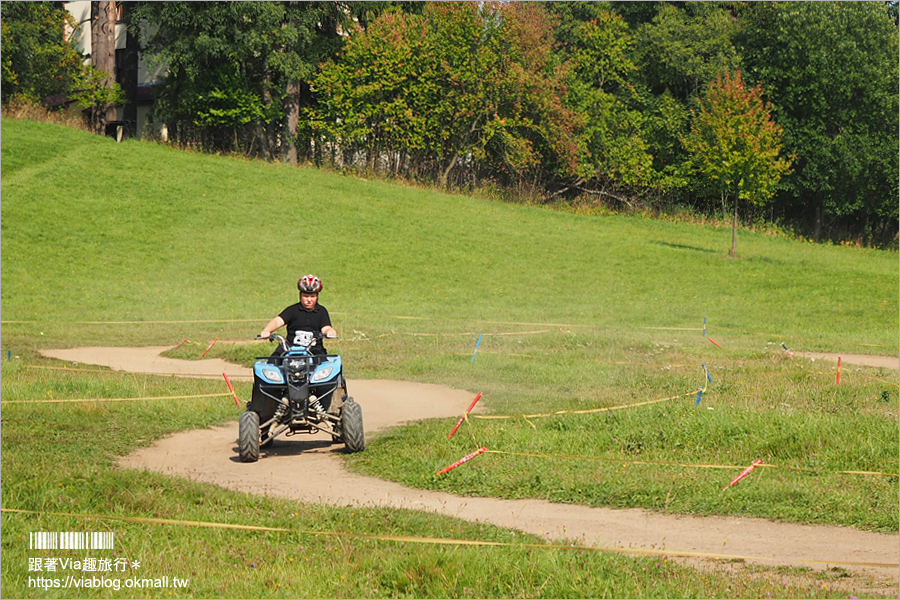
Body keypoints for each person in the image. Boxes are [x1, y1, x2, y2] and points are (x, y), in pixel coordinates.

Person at [259, 274, 337, 356]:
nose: (309, 300)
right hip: (289, 348)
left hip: (314, 349)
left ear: (317, 297)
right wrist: (267, 330)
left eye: (312, 296)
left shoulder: (321, 311)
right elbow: (278, 321)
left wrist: (330, 332)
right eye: (306, 296)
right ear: (300, 295)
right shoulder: (292, 310)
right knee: (272, 363)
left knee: (327, 365)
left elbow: (326, 327)